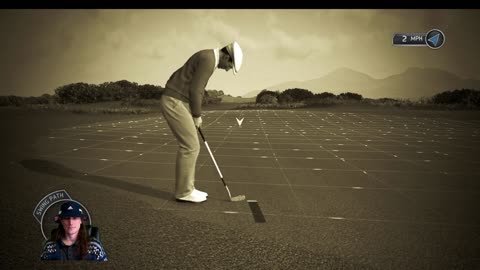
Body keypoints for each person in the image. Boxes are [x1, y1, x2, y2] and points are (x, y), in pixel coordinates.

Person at [161, 41, 243, 203]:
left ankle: (188, 188)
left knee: (192, 146)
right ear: (227, 56)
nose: (227, 69)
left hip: (178, 100)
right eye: (229, 65)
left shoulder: (207, 56)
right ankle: (184, 192)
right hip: (174, 100)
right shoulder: (209, 59)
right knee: (190, 146)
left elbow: (190, 84)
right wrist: (197, 114)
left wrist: (191, 109)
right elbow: (196, 89)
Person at [40, 201, 108, 261]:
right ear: (61, 221)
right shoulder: (50, 246)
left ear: (81, 220)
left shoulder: (94, 246)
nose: (71, 222)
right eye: (66, 218)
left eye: (75, 218)